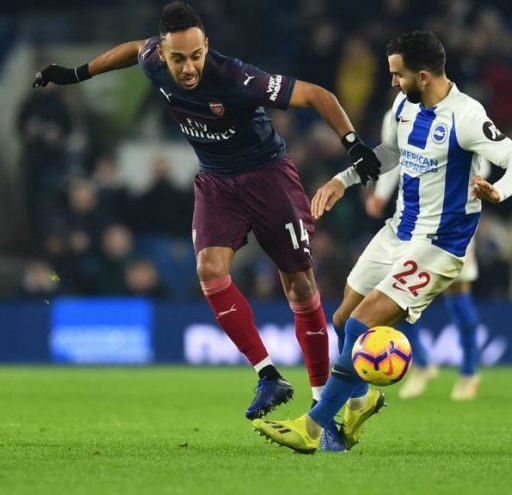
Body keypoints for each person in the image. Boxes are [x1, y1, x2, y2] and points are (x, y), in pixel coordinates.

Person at [33, 1, 382, 419]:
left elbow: (317, 95)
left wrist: (353, 145)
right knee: (209, 270)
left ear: (207, 46)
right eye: (178, 58)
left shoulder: (236, 77)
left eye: (196, 56)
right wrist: (76, 74)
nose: (188, 67)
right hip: (216, 182)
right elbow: (131, 49)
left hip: (268, 178)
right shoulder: (152, 58)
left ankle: (321, 400)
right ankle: (268, 376)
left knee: (300, 287)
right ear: (163, 53)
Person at [252, 31, 512, 453]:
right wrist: (343, 180)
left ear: (423, 76)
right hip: (397, 231)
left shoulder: (466, 116)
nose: (391, 82)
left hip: (438, 245)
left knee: (362, 324)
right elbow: (391, 153)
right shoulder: (404, 106)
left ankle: (312, 426)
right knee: (343, 321)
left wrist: (500, 191)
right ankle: (362, 400)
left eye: (397, 74)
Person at [365, 130, 487, 401]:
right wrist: (381, 194)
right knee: (396, 292)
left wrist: (477, 179)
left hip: (455, 222)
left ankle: (469, 371)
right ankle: (421, 363)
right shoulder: (397, 114)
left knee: (458, 292)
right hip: (414, 223)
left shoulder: (461, 114)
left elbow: (483, 154)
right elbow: (393, 156)